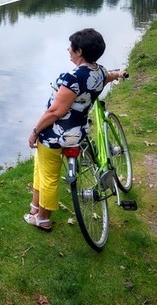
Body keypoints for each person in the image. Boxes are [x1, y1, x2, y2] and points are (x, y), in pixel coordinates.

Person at [24, 28, 126, 232]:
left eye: (71, 47)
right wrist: (119, 75)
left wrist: (35, 131)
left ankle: (43, 219)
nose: (68, 50)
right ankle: (35, 206)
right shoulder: (99, 72)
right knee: (40, 170)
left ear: (79, 51)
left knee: (48, 178)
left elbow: (55, 111)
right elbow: (110, 76)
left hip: (55, 135)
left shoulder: (72, 78)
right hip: (77, 134)